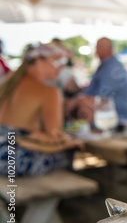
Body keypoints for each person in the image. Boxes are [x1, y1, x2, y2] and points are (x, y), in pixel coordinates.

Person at [0, 44, 81, 176]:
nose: (61, 67)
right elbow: (55, 136)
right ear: (39, 61)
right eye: (57, 61)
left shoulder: (7, 84)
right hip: (11, 161)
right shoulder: (49, 91)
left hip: (4, 152)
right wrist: (70, 143)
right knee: (69, 152)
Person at [66, 38, 127, 124]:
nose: (96, 51)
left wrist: (77, 100)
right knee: (75, 101)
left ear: (106, 49)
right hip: (115, 112)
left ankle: (57, 129)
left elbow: (103, 98)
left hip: (118, 116)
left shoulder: (110, 67)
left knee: (80, 102)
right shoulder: (108, 65)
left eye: (98, 47)